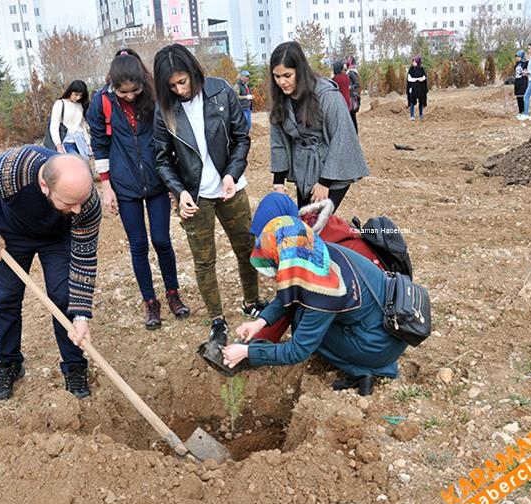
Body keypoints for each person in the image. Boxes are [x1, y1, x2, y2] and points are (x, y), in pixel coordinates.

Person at [220, 193, 407, 396]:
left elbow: (297, 350)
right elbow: (292, 293)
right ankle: (367, 358)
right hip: (386, 327)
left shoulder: (325, 289)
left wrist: (247, 352)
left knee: (303, 324)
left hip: (381, 344)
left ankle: (366, 369)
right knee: (305, 317)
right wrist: (260, 322)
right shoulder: (317, 251)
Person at [0, 148, 101, 400]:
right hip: (11, 234)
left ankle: (74, 366)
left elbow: (84, 259)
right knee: (6, 298)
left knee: (63, 298)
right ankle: (9, 364)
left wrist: (81, 314)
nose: (78, 209)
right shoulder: (10, 171)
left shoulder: (86, 203)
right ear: (44, 185)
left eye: (81, 201)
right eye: (69, 203)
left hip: (57, 239)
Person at [153, 43, 265, 346]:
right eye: (171, 85)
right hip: (195, 197)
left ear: (193, 72)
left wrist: (232, 174)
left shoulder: (221, 91)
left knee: (247, 248)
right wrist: (179, 192)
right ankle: (217, 319)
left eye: (182, 81)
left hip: (231, 189)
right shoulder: (165, 110)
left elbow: (241, 138)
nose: (179, 89)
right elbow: (162, 159)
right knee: (204, 261)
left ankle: (251, 301)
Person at [86, 49, 190, 329]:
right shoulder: (102, 102)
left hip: (156, 182)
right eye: (124, 92)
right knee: (138, 245)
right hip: (124, 185)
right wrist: (107, 186)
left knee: (162, 240)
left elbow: (168, 140)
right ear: (113, 86)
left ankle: (172, 294)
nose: (130, 96)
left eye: (135, 90)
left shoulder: (154, 96)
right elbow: (100, 146)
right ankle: (150, 302)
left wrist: (173, 182)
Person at [268, 41, 369, 211]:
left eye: (287, 75)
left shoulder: (326, 95)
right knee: (305, 223)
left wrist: (324, 182)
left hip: (333, 168)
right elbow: (278, 141)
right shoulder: (281, 99)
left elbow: (341, 137)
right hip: (304, 168)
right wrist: (278, 182)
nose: (282, 82)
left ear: (299, 71)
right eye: (277, 77)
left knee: (316, 225)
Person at [49, 80, 91, 158]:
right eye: (76, 94)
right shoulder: (60, 104)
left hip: (80, 141)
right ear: (70, 91)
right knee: (76, 165)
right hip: (67, 142)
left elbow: (82, 126)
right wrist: (58, 146)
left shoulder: (80, 105)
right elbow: (54, 126)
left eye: (80, 95)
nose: (78, 97)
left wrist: (88, 143)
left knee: (85, 166)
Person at [406, 56, 428, 121]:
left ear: (418, 62)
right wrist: (417, 79)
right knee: (412, 101)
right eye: (413, 62)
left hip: (421, 88)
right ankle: (412, 116)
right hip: (413, 88)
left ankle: (421, 115)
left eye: (415, 62)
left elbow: (424, 78)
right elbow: (409, 79)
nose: (413, 63)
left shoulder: (421, 69)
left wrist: (419, 79)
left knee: (421, 101)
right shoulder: (411, 69)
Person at [346, 56, 361, 133]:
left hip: (352, 98)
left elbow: (357, 84)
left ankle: (355, 134)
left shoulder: (352, 73)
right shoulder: (349, 72)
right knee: (351, 117)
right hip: (350, 97)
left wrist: (350, 87)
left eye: (347, 61)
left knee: (352, 117)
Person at [514, 49, 529, 119]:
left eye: (518, 56)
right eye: (516, 56)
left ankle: (524, 111)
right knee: (518, 97)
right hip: (517, 81)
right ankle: (520, 111)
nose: (517, 58)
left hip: (523, 82)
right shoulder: (517, 64)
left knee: (522, 97)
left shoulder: (526, 63)